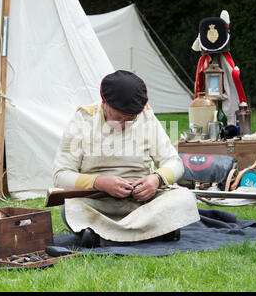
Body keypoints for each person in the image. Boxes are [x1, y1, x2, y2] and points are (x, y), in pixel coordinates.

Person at [52, 70, 200, 247]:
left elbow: (174, 163)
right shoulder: (82, 120)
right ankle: (156, 232)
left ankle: (101, 237)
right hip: (98, 203)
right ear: (104, 103)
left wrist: (156, 179)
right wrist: (99, 182)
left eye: (130, 119)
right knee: (71, 208)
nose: (123, 125)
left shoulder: (146, 117)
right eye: (118, 118)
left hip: (141, 204)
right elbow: (61, 175)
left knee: (183, 197)